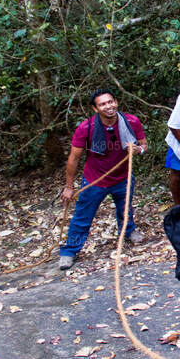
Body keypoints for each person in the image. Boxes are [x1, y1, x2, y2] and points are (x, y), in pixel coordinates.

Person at [57, 89, 147, 271]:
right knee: (82, 217)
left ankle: (128, 231)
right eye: (102, 104)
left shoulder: (131, 121)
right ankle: (69, 251)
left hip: (123, 177)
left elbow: (144, 143)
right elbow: (74, 158)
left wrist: (140, 150)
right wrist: (69, 186)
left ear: (116, 102)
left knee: (125, 209)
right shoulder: (86, 128)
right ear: (95, 108)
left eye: (110, 102)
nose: (108, 106)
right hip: (94, 180)